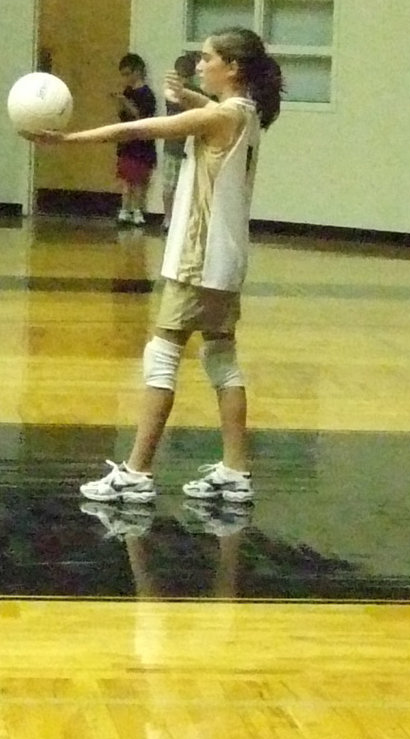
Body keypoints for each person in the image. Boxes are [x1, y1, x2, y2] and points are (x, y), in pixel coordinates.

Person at [20, 28, 282, 504]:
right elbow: (211, 108)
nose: (199, 64)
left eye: (207, 59)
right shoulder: (247, 111)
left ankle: (136, 473)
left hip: (197, 259)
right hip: (227, 259)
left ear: (233, 68)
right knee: (221, 359)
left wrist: (66, 139)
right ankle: (235, 470)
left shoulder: (220, 116)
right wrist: (190, 95)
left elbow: (135, 129)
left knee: (161, 357)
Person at [113, 52, 157, 227]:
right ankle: (124, 210)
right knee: (125, 179)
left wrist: (126, 102)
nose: (125, 78)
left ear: (137, 71)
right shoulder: (127, 91)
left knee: (138, 180)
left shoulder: (147, 94)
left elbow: (142, 118)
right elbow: (122, 116)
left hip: (141, 144)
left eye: (127, 74)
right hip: (126, 142)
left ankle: (137, 210)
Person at [162, 51, 200, 232]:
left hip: (190, 146)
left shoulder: (197, 93)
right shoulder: (171, 91)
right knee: (169, 186)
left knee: (187, 188)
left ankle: (181, 220)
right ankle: (168, 218)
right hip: (173, 144)